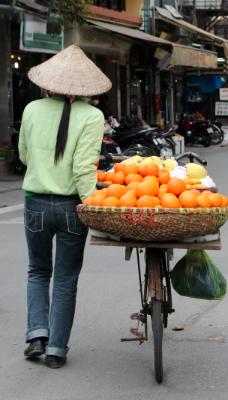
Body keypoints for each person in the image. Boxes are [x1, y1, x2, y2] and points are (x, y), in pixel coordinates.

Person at [19, 44, 111, 369]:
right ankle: (56, 349)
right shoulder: (93, 116)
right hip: (72, 208)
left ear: (48, 83)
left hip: (36, 205)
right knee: (64, 278)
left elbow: (24, 156)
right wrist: (95, 207)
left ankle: (36, 336)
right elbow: (84, 170)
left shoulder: (31, 109)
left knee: (38, 271)